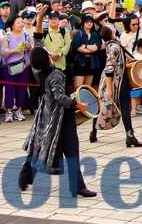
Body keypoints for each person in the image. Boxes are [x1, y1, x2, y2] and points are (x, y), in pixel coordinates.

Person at [19, 47, 95, 198]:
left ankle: (25, 176)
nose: (50, 54)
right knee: (72, 150)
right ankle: (77, 187)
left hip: (47, 116)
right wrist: (77, 104)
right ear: (46, 59)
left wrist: (40, 22)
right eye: (47, 53)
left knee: (40, 147)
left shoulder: (39, 72)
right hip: (61, 118)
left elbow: (38, 46)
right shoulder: (56, 74)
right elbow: (59, 97)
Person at [94, 21, 142, 148]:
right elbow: (109, 68)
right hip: (117, 82)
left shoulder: (112, 44)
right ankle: (130, 136)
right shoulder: (114, 47)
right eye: (112, 28)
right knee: (125, 108)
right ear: (111, 33)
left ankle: (93, 133)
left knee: (102, 107)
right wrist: (110, 89)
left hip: (117, 80)